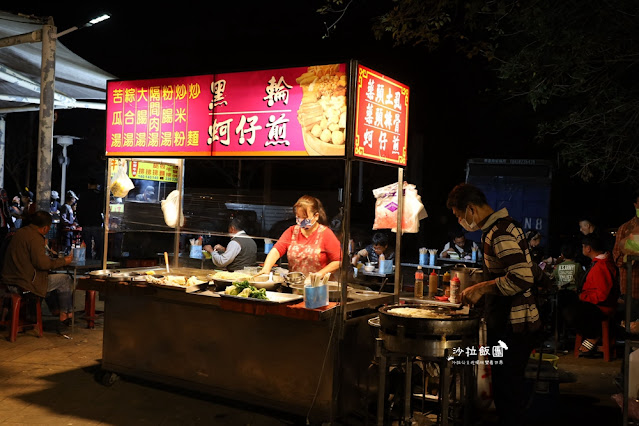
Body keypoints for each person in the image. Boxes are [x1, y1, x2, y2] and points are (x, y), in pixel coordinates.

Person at [447, 183, 540, 426]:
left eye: (459, 216)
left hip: (513, 323)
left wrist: (481, 288)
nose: (461, 223)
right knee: (508, 388)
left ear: (470, 209)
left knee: (507, 391)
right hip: (511, 322)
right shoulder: (503, 227)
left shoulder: (500, 233)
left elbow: (522, 277)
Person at [1, 211, 74, 328]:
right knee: (65, 279)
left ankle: (56, 310)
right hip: (23, 282)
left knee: (51, 277)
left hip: (10, 278)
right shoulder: (35, 238)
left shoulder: (21, 232)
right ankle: (65, 313)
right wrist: (63, 261)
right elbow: (42, 264)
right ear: (45, 228)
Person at [563, 234, 619, 355]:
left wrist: (583, 297)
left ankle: (593, 336)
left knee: (570, 312)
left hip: (601, 306)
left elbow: (602, 295)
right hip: (595, 302)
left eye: (583, 246)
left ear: (588, 248)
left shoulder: (601, 266)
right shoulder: (599, 263)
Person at [259, 195, 342, 278]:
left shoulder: (326, 234)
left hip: (318, 287)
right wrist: (266, 267)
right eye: (298, 217)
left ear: (316, 216)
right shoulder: (291, 231)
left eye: (305, 217)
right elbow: (276, 250)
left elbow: (339, 261)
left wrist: (319, 274)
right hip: (295, 284)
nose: (301, 220)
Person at [612, 188, 639, 319]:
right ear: (636, 204)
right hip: (632, 289)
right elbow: (617, 257)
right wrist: (629, 258)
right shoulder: (624, 229)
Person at [61, 190, 80, 255]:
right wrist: (71, 223)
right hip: (66, 231)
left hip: (70, 231)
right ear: (71, 199)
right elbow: (63, 219)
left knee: (69, 247)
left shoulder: (69, 207)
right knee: (66, 247)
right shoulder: (65, 207)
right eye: (74, 199)